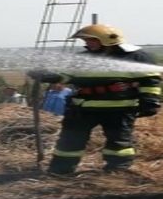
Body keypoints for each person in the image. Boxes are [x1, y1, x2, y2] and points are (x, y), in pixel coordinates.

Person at [27, 24, 161, 174]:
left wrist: (150, 100)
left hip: (120, 108)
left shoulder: (136, 57)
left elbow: (149, 80)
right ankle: (60, 171)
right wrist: (48, 76)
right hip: (83, 108)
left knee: (119, 143)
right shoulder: (82, 58)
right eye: (86, 40)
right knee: (70, 141)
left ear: (108, 39)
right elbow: (68, 76)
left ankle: (117, 172)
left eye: (91, 40)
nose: (87, 43)